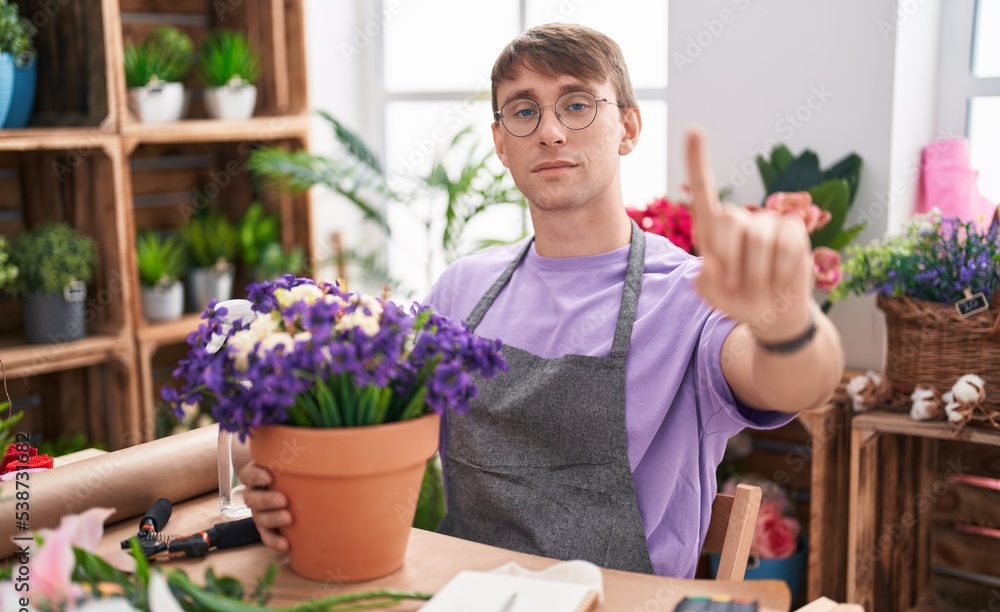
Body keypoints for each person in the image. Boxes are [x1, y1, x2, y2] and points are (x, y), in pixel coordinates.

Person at [242, 23, 844, 578]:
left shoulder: (687, 297)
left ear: (628, 128)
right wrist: (284, 478)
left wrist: (788, 322)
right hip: (464, 604)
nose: (550, 131)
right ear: (502, 144)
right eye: (524, 111)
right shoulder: (463, 289)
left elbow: (793, 383)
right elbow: (361, 426)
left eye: (578, 104)